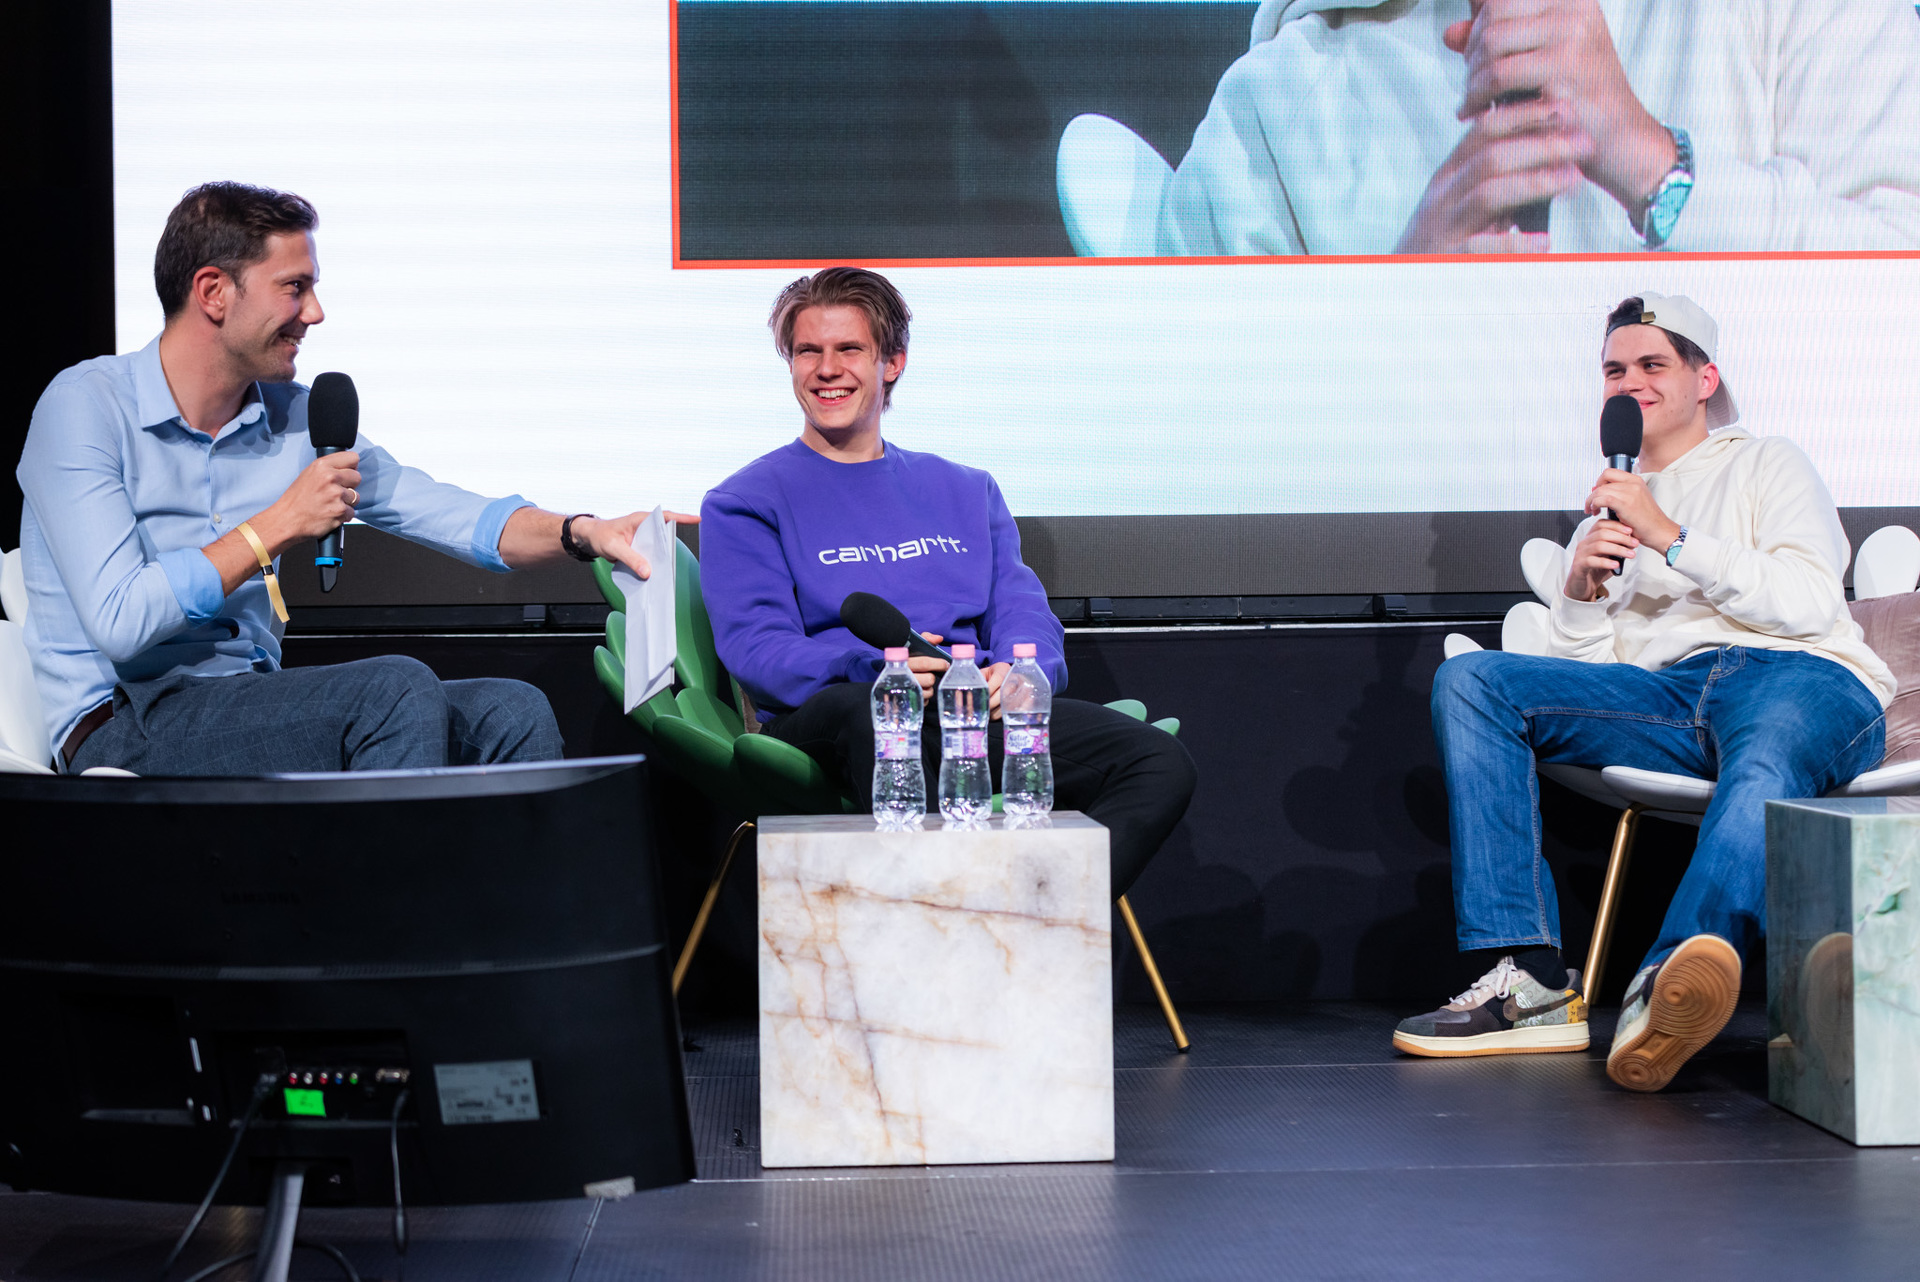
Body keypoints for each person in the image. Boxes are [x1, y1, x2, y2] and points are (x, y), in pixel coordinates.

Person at [15, 181, 691, 775]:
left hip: (246, 701)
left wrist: (583, 532)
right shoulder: (85, 408)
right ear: (214, 292)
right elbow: (122, 621)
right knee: (391, 690)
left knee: (510, 711)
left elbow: (451, 514)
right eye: (294, 287)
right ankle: (390, 889)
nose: (314, 313)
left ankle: (505, 893)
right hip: (124, 723)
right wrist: (276, 526)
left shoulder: (294, 419)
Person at [1396, 292, 1892, 1092]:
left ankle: (1664, 988)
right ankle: (1531, 983)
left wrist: (1671, 535)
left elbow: (1808, 602)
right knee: (1473, 681)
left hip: (1800, 676)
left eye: (1652, 365)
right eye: (1614, 370)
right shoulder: (1608, 511)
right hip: (1670, 700)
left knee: (1763, 763)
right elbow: (1594, 674)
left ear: (1706, 380)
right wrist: (1581, 594)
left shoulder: (1766, 461)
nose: (1630, 383)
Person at [697, 267, 1197, 897]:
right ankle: (943, 926)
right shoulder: (744, 501)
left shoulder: (965, 489)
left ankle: (1039, 919)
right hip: (839, 714)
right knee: (874, 715)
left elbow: (1021, 610)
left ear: (892, 363)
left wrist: (1022, 673)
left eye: (849, 349)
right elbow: (757, 648)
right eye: (807, 351)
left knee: (1156, 760)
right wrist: (873, 668)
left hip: (968, 707)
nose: (826, 369)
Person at [1159, 0, 1920, 255]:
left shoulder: (1811, 12)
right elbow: (1191, 463)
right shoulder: (1278, 105)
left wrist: (1657, 168)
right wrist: (1395, 323)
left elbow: (1899, 332)